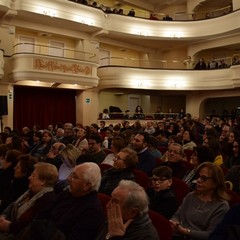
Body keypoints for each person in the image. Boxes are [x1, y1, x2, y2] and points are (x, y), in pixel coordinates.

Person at [35, 162, 105, 240]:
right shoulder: (68, 193)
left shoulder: (92, 211)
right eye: (71, 174)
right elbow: (43, 213)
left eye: (75, 177)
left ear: (87, 185)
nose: (68, 179)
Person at [170, 162, 230, 240]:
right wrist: (175, 223)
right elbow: (176, 216)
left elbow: (211, 235)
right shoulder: (191, 196)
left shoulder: (221, 206)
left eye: (204, 178)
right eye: (198, 176)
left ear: (215, 183)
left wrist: (186, 231)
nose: (198, 180)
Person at [0, 162, 58, 238]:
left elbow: (30, 224)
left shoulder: (48, 199)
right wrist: (3, 216)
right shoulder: (31, 191)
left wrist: (10, 226)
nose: (29, 177)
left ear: (42, 181)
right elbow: (13, 204)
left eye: (33, 175)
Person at [95, 180, 159, 240]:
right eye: (110, 199)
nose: (107, 206)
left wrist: (115, 237)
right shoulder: (114, 219)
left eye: (115, 202)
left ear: (133, 211)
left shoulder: (147, 237)